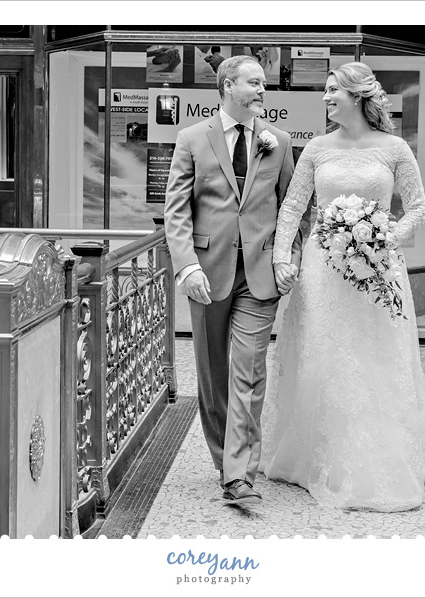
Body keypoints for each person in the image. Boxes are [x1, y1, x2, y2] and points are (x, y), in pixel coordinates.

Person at [261, 62, 425, 512]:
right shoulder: (317, 149)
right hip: (323, 273)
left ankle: (378, 458)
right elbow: (292, 209)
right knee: (323, 356)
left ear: (357, 96)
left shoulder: (395, 148)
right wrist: (283, 258)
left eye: (332, 90)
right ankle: (311, 456)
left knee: (374, 358)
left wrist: (381, 239)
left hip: (379, 270)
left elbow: (418, 209)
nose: (324, 98)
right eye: (324, 90)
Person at [163, 55, 302, 505]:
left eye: (264, 84)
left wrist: (288, 257)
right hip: (207, 272)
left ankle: (238, 474)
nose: (263, 90)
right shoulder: (191, 139)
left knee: (249, 372)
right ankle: (225, 457)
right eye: (254, 82)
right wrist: (186, 266)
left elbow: (292, 212)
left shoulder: (278, 141)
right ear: (227, 85)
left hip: (259, 277)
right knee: (212, 374)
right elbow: (177, 210)